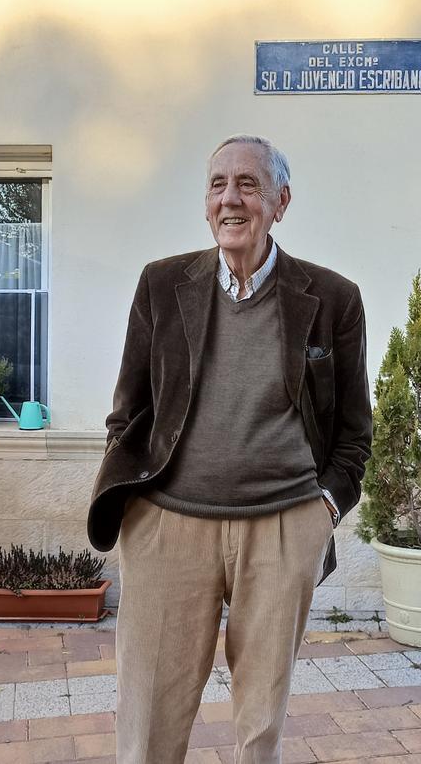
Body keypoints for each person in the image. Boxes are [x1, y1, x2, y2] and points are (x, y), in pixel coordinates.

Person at [86, 134, 373, 763]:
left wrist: (319, 512)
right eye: (218, 185)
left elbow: (354, 433)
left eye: (248, 184)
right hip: (169, 525)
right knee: (148, 717)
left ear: (280, 201)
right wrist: (139, 509)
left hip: (280, 525)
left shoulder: (332, 299)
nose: (231, 199)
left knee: (260, 721)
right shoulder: (162, 285)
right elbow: (128, 409)